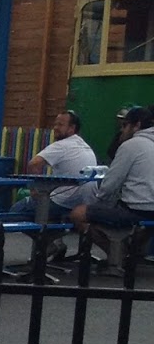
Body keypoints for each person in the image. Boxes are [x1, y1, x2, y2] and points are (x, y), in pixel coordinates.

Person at [69, 104, 154, 255]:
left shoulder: (131, 145)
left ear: (137, 125)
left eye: (124, 125)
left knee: (78, 213)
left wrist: (99, 202)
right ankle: (133, 254)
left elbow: (110, 185)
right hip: (149, 211)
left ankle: (117, 256)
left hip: (136, 211)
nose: (121, 130)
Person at [29, 109, 99, 248]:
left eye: (60, 125)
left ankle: (51, 244)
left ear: (72, 128)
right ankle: (55, 237)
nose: (55, 128)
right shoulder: (85, 146)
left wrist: (34, 190)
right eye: (55, 124)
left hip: (64, 202)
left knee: (17, 211)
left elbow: (33, 164)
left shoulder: (62, 146)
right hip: (87, 201)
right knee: (47, 206)